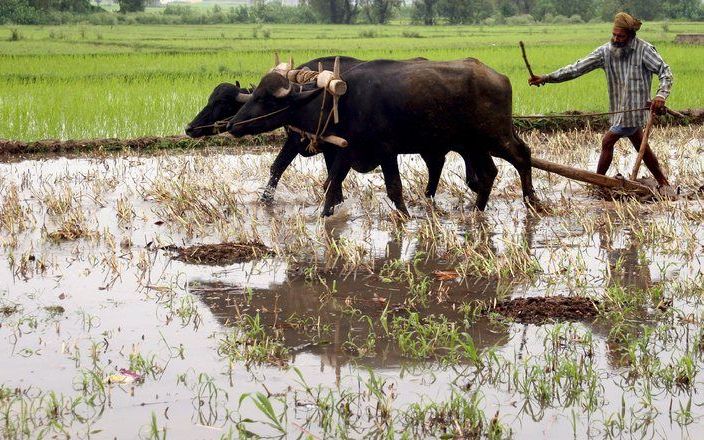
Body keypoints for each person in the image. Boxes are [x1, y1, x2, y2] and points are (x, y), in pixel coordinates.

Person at [529, 12, 673, 186]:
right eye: (614, 34)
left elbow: (665, 71)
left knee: (607, 141)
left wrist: (660, 95)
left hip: (634, 111)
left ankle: (598, 182)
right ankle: (663, 181)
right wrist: (547, 78)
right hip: (619, 109)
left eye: (620, 36)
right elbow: (577, 68)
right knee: (639, 144)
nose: (616, 38)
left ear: (631, 37)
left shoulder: (644, 50)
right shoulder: (606, 52)